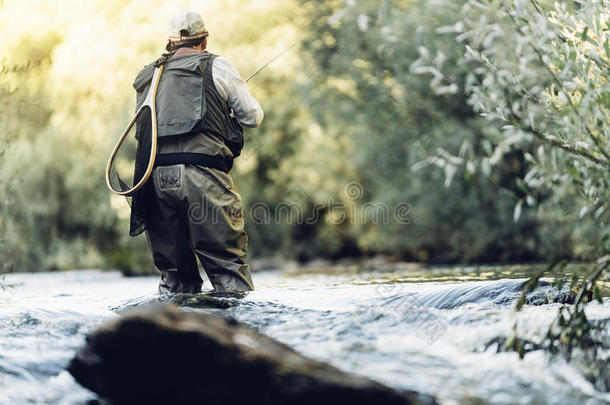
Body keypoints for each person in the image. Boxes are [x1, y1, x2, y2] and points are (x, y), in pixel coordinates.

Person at [132, 10, 263, 294]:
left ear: (169, 43)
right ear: (204, 41)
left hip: (154, 182)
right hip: (203, 176)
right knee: (228, 271)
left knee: (175, 279)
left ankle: (172, 332)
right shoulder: (218, 66)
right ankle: (233, 333)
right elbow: (253, 117)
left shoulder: (148, 75)